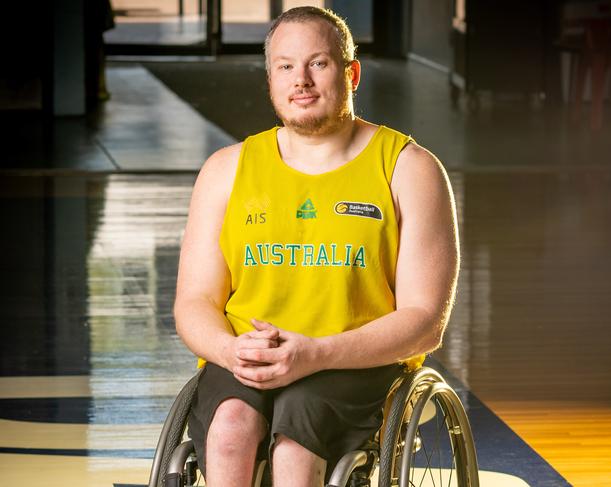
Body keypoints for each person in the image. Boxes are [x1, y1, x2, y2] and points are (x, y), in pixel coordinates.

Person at [174, 6, 459, 487]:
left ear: (351, 73)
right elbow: (194, 301)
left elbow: (425, 320)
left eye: (318, 63)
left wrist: (318, 353)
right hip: (251, 356)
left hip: (354, 361)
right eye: (285, 66)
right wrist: (229, 348)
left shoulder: (409, 169)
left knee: (297, 440)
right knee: (228, 431)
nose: (300, 80)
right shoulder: (226, 170)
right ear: (270, 78)